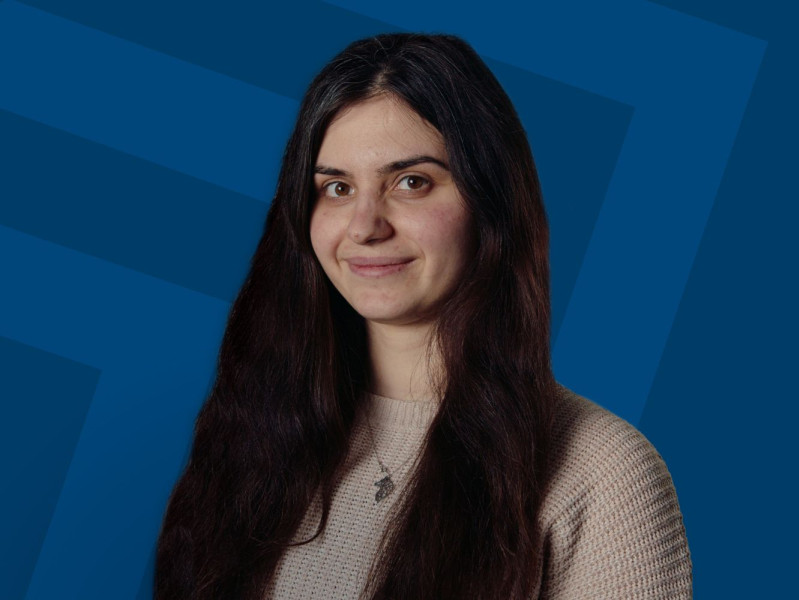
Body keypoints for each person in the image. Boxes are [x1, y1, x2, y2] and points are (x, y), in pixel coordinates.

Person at [154, 33, 692, 599]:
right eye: (336, 188)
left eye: (411, 182)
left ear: (492, 204)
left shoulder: (602, 470)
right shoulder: (252, 441)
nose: (364, 225)